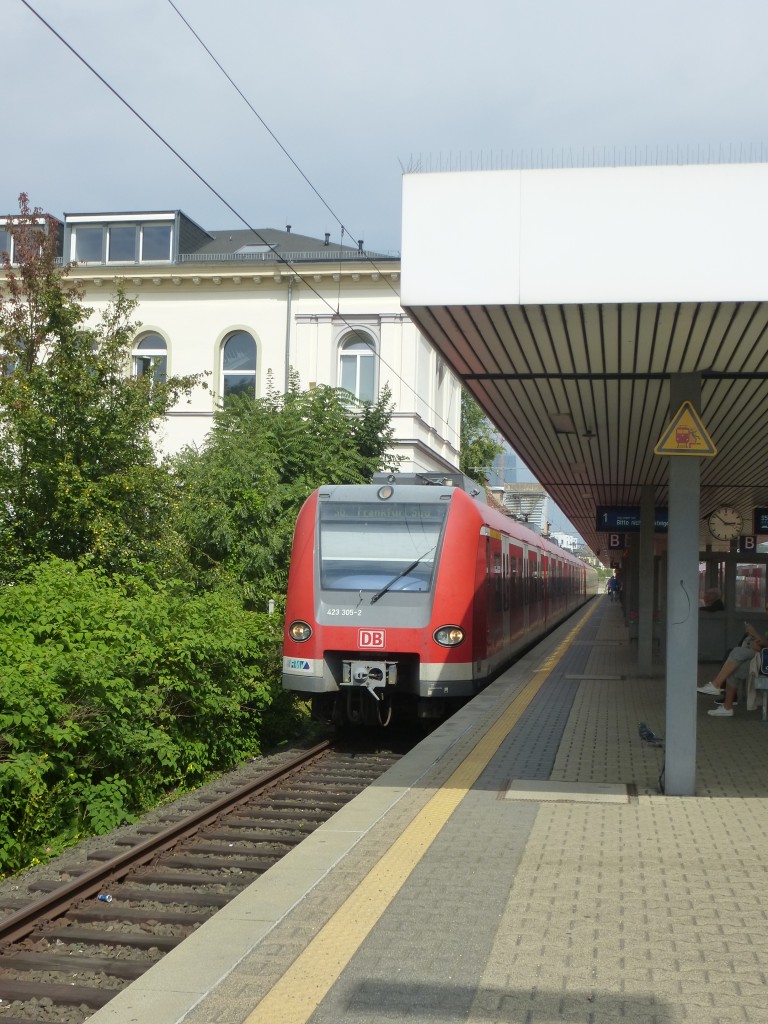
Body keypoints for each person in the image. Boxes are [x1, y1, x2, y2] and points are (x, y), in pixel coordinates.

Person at [697, 621, 768, 717]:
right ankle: (727, 708)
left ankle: (716, 684)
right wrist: (758, 642)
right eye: (766, 608)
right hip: (763, 657)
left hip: (765, 660)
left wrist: (754, 633)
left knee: (736, 652)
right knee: (734, 669)